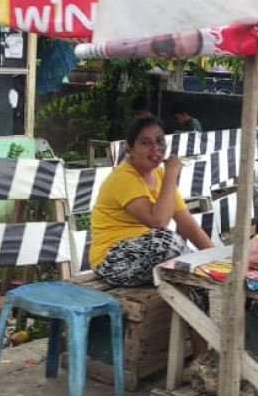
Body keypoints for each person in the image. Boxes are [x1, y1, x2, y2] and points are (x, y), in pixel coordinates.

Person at [90, 116, 214, 286]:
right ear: (131, 149)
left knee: (198, 271)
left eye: (159, 141)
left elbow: (187, 224)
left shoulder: (160, 176)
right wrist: (171, 173)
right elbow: (158, 221)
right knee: (166, 242)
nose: (155, 148)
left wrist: (217, 258)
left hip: (148, 255)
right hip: (112, 261)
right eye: (145, 143)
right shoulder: (124, 177)